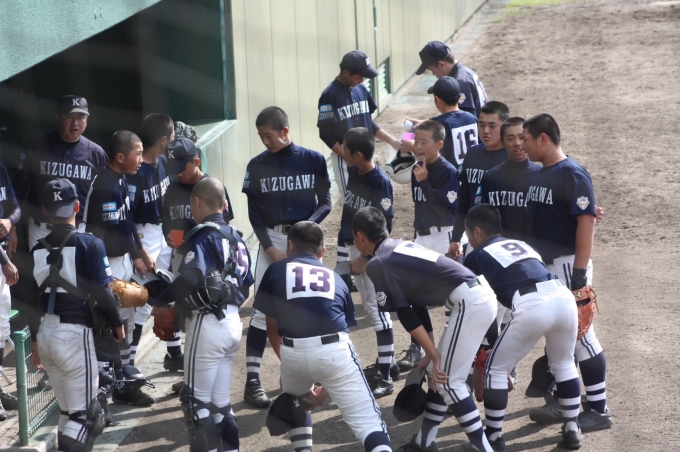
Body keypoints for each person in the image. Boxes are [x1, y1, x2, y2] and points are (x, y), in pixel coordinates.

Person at [353, 207, 497, 452]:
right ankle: (424, 442)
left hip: (470, 303)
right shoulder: (397, 247)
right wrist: (430, 355)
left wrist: (434, 353)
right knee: (439, 375)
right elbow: (416, 304)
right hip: (478, 297)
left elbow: (405, 314)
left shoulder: (378, 263)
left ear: (360, 236)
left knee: (450, 383)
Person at [254, 221, 392, 452]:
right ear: (322, 252)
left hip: (292, 353)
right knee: (369, 424)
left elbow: (271, 326)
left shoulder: (276, 269)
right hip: (334, 353)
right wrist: (326, 388)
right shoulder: (336, 279)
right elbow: (342, 334)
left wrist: (287, 364)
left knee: (297, 405)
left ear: (290, 245)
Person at [462, 204, 583, 451]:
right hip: (563, 297)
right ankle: (572, 428)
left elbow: (474, 298)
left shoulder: (476, 254)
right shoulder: (522, 245)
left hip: (532, 304)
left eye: (468, 234)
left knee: (495, 370)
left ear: (477, 231)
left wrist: (487, 340)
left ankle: (493, 438)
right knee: (564, 363)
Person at [522, 114, 612, 433]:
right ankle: (565, 401)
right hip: (547, 266)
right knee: (561, 337)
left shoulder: (572, 173)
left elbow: (586, 223)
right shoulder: (541, 172)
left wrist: (579, 274)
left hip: (566, 263)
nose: (524, 146)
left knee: (581, 338)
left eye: (527, 139)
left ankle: (599, 409)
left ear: (543, 138)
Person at [241, 106, 332, 408]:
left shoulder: (313, 159)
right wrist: (269, 248)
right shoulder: (257, 165)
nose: (265, 141)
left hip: (306, 240)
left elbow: (326, 202)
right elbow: (254, 214)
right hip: (272, 239)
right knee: (260, 312)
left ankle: (315, 372)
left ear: (284, 131)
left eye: (269, 135)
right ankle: (252, 380)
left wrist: (306, 229)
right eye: (261, 136)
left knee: (311, 304)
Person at [153, 177, 253, 452]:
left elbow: (191, 276)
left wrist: (160, 302)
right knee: (220, 406)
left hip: (207, 324)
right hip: (233, 323)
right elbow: (247, 284)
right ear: (224, 205)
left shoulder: (203, 235)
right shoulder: (237, 239)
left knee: (196, 404)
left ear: (196, 202)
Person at [30, 179, 125, 452]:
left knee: (68, 413)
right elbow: (102, 292)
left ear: (45, 210)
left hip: (46, 336)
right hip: (73, 337)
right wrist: (118, 323)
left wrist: (36, 342)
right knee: (85, 416)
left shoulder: (36, 250)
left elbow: (30, 302)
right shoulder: (89, 244)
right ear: (77, 206)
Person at [83, 130, 155, 406]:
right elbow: (95, 236)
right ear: (121, 156)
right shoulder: (105, 187)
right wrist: (104, 275)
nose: (141, 159)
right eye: (138, 153)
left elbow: (126, 223)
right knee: (106, 328)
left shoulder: (122, 180)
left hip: (122, 260)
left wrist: (139, 254)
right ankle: (101, 395)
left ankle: (123, 385)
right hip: (105, 264)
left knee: (125, 324)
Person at [336, 127, 398, 397]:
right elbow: (347, 215)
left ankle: (385, 378)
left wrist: (365, 257)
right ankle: (390, 364)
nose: (342, 151)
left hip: (371, 255)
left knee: (377, 312)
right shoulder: (354, 171)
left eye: (345, 148)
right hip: (355, 249)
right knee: (372, 308)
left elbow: (385, 227)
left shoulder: (379, 182)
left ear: (358, 154)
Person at [12, 95, 108, 249]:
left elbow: (105, 197)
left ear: (87, 119)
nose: (75, 123)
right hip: (41, 230)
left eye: (81, 117)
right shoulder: (37, 145)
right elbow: (18, 189)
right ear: (58, 117)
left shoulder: (96, 154)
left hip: (79, 231)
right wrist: (12, 228)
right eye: (69, 117)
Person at [126, 113, 181, 369]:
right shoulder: (135, 172)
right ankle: (128, 364)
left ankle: (174, 353)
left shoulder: (163, 163)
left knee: (168, 290)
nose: (174, 139)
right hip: (142, 234)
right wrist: (139, 251)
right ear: (162, 140)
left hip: (162, 231)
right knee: (141, 301)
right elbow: (126, 216)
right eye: (172, 136)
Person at [317, 50, 401, 202]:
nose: (362, 80)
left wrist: (392, 141)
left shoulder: (361, 89)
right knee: (353, 203)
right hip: (345, 157)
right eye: (360, 76)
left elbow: (368, 122)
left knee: (369, 200)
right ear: (346, 72)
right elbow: (325, 133)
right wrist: (347, 156)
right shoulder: (329, 95)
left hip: (365, 157)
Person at [162, 137, 234, 277]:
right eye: (174, 169)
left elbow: (224, 225)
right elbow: (166, 218)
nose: (179, 174)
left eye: (182, 168)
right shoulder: (172, 189)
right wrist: (167, 235)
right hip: (180, 256)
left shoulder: (212, 187)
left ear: (196, 162)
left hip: (207, 256)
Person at [450, 101, 510, 259]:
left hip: (503, 241)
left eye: (492, 126)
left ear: (505, 127)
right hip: (474, 238)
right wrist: (456, 237)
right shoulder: (472, 153)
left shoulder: (511, 158)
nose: (486, 131)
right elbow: (464, 199)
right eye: (481, 125)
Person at [480, 117, 539, 243]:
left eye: (522, 137)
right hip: (499, 248)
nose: (517, 143)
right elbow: (481, 218)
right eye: (510, 139)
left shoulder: (542, 176)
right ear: (502, 142)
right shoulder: (490, 178)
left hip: (534, 249)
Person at [402, 77, 479, 169]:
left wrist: (410, 145)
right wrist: (426, 121)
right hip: (473, 173)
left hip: (450, 176)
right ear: (459, 97)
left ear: (437, 99)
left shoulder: (439, 127)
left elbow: (429, 158)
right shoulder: (472, 119)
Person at [415, 41, 488, 117]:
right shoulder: (464, 72)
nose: (434, 74)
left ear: (441, 64)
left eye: (433, 70)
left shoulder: (460, 81)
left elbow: (465, 120)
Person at [0, 161, 20, 420]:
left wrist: (9, 221)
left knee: (2, 328)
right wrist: (5, 261)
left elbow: (16, 207)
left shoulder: (1, 169)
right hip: (1, 260)